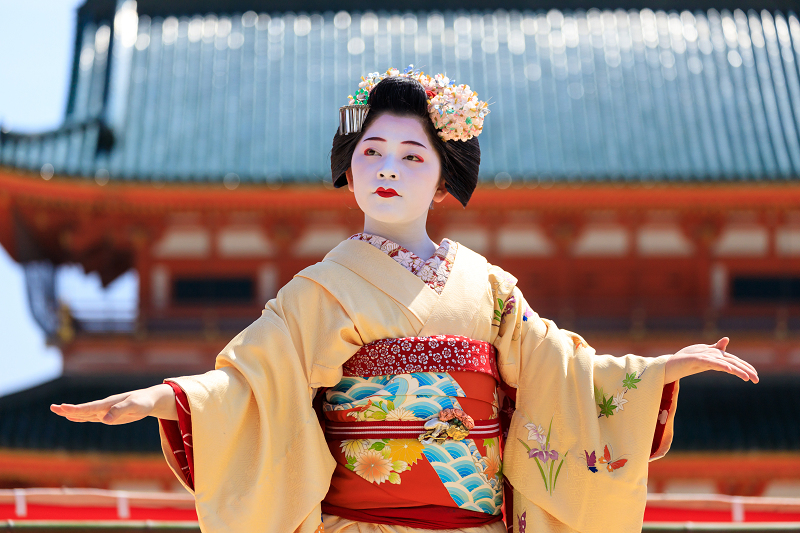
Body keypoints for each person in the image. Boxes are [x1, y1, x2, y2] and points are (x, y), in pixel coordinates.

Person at [51, 67, 758, 533]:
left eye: (413, 155)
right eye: (372, 152)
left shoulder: (488, 285)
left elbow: (560, 370)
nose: (389, 168)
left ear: (444, 180)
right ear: (348, 171)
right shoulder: (320, 290)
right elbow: (248, 382)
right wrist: (165, 398)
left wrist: (658, 368)